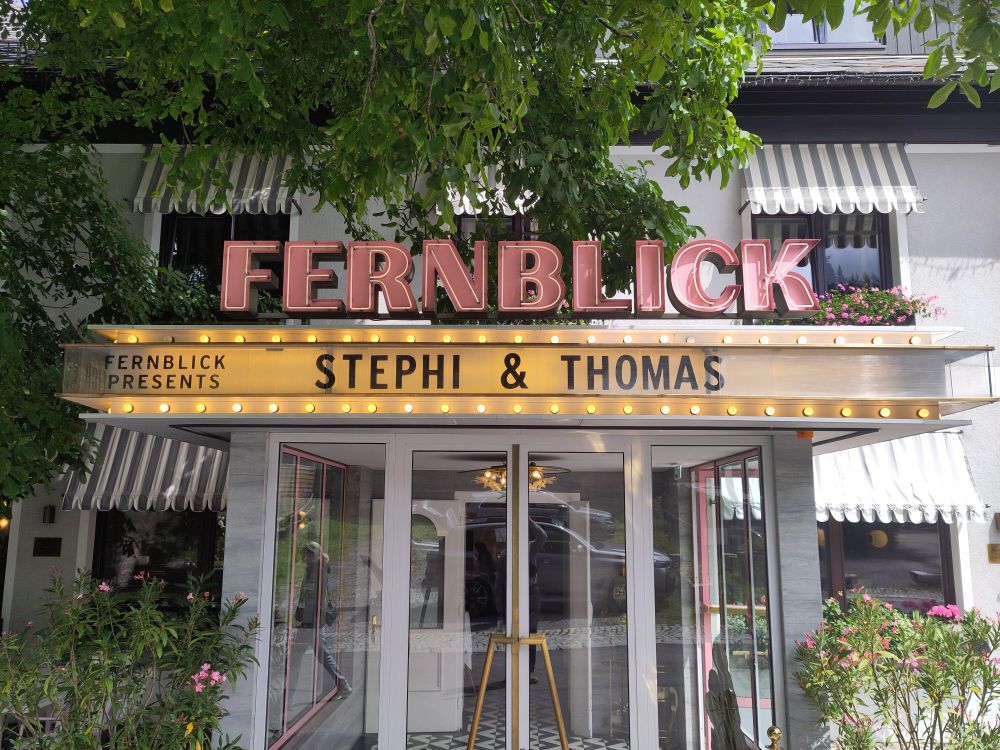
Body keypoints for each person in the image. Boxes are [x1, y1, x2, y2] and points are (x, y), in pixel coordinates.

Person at [298, 541, 353, 699]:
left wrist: (309, 620)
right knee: (301, 656)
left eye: (305, 553)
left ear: (311, 554)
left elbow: (315, 597)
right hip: (310, 620)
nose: (303, 556)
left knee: (322, 655)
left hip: (313, 620)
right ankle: (343, 685)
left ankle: (344, 685)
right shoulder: (314, 568)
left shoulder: (317, 570)